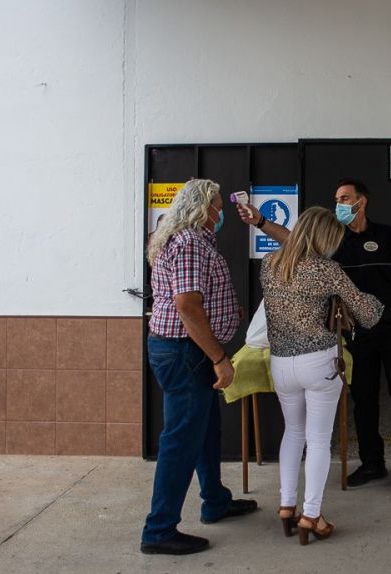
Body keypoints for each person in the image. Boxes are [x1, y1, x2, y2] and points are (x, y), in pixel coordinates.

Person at [237, 177, 391, 497]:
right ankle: (372, 463)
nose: (338, 203)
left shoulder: (387, 234)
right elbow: (295, 241)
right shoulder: (335, 240)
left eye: (343, 197)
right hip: (357, 331)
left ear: (361, 201)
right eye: (336, 198)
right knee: (363, 401)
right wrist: (261, 222)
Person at [141, 179, 257, 556]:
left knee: (206, 429)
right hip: (187, 352)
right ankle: (159, 531)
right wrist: (219, 358)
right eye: (218, 206)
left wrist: (227, 311)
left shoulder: (182, 238)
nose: (221, 213)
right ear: (204, 208)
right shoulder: (190, 243)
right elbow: (187, 305)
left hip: (183, 349)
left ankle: (216, 501)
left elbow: (198, 298)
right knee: (180, 440)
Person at [261, 206, 384, 545]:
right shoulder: (327, 269)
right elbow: (366, 312)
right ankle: (311, 516)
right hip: (318, 363)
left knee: (293, 433)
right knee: (317, 440)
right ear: (327, 239)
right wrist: (380, 301)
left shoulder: (269, 264)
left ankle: (287, 507)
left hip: (281, 363)